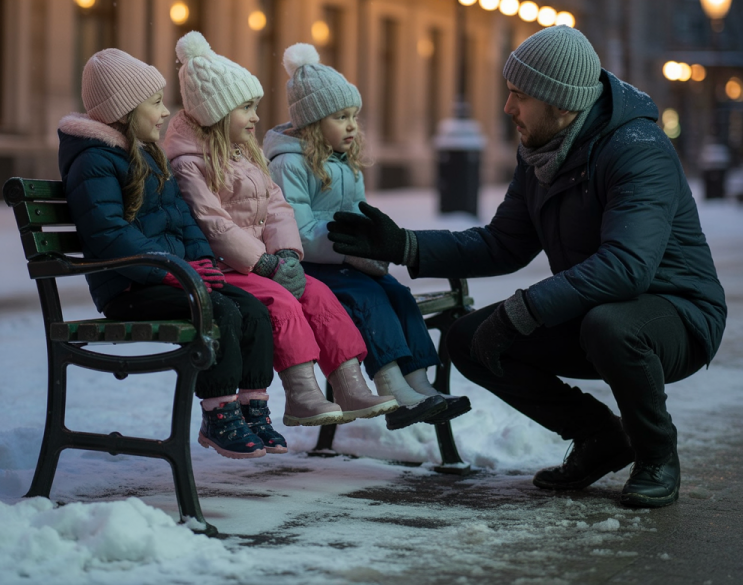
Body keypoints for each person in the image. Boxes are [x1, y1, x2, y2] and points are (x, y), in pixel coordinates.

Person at [327, 25, 727, 508]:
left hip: (677, 313)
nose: (507, 108)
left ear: (559, 103)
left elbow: (627, 267)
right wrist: (405, 244)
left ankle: (656, 455)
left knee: (612, 326)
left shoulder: (638, 149)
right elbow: (504, 244)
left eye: (519, 95)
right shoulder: (543, 151)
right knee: (468, 340)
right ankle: (600, 437)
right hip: (598, 309)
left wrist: (524, 309)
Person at [162, 32, 397, 430]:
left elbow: (277, 207)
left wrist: (287, 253)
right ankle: (302, 393)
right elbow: (214, 225)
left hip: (263, 262)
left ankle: (348, 384)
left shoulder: (244, 153)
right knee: (282, 302)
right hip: (229, 267)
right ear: (218, 113)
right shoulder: (190, 165)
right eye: (247, 108)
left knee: (318, 295)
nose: (256, 117)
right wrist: (265, 263)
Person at [58, 47, 284, 459]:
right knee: (221, 310)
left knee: (251, 307)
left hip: (172, 276)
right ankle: (219, 414)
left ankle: (253, 406)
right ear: (125, 111)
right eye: (155, 103)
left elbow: (183, 218)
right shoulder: (95, 161)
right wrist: (171, 270)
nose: (165, 112)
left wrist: (197, 261)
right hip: (129, 288)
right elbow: (108, 233)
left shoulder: (147, 155)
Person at [263, 43, 470, 430]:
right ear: (312, 122)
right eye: (341, 117)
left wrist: (373, 243)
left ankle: (420, 383)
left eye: (353, 116)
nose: (352, 126)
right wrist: (348, 252)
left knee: (397, 292)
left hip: (347, 262)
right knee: (369, 296)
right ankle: (391, 385)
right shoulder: (289, 163)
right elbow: (297, 233)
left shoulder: (346, 163)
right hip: (313, 269)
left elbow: (359, 215)